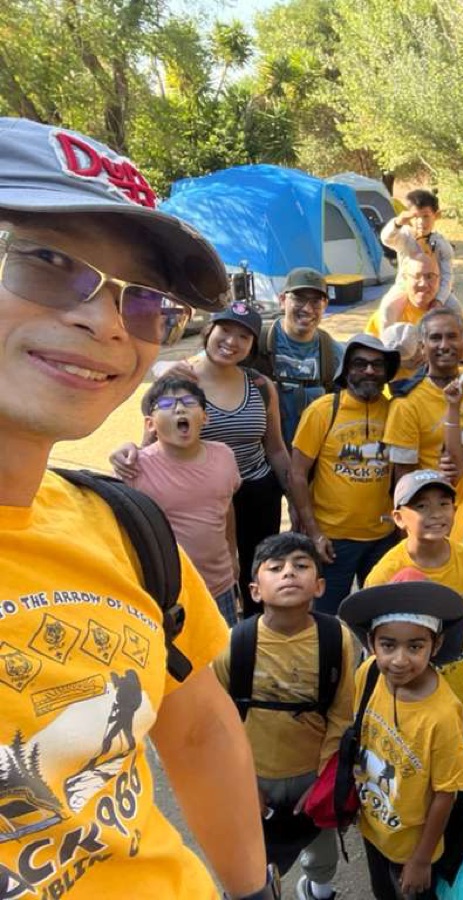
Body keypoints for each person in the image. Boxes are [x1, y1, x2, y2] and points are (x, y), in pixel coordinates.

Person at [0, 117, 267, 897]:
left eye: (144, 300)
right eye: (49, 261)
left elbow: (200, 724)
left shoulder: (123, 527)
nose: (107, 322)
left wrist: (253, 890)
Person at [111, 300, 291, 614]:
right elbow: (153, 438)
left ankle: (252, 639)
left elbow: (276, 448)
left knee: (260, 573)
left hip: (257, 492)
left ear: (252, 346)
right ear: (209, 331)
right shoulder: (179, 381)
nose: (232, 342)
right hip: (201, 492)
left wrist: (300, 505)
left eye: (244, 336)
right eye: (225, 331)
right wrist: (131, 454)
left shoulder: (261, 385)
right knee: (200, 573)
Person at [212, 533, 359, 900]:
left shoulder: (336, 637)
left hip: (313, 770)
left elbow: (342, 711)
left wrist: (325, 778)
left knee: (321, 849)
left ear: (320, 585)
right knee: (253, 856)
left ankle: (318, 890)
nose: (289, 573)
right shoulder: (234, 643)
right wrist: (243, 781)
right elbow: (217, 720)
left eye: (301, 565)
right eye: (275, 568)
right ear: (255, 590)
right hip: (253, 773)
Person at [339, 579, 463, 900]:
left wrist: (421, 859)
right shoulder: (369, 673)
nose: (400, 660)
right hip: (373, 826)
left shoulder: (442, 714)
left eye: (415, 647)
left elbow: (446, 794)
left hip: (411, 845)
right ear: (372, 643)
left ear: (436, 645)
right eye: (388, 645)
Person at [290, 334, 399, 613]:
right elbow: (297, 474)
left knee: (380, 615)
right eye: (360, 364)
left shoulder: (396, 412)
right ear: (346, 369)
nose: (370, 371)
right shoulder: (323, 410)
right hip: (332, 540)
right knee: (325, 618)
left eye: (377, 365)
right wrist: (314, 533)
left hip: (382, 537)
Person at [364, 470, 463, 712]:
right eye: (421, 506)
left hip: (458, 693)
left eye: (444, 504)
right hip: (408, 699)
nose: (436, 514)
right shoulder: (385, 573)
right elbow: (375, 650)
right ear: (399, 518)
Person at [126, 376, 241, 625]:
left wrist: (232, 555)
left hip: (219, 585)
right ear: (150, 424)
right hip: (164, 594)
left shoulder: (225, 457)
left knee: (222, 659)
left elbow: (225, 507)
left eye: (189, 402)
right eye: (166, 404)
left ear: (205, 417)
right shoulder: (133, 469)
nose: (179, 408)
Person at [384, 307, 463, 474]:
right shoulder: (405, 404)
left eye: (452, 336)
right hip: (440, 497)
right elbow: (403, 477)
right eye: (435, 338)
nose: (444, 345)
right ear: (422, 346)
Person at [251, 266, 344, 447]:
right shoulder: (256, 341)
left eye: (316, 301)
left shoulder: (333, 352)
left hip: (314, 457)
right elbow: (212, 364)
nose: (307, 309)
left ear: (325, 305)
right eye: (299, 298)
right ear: (282, 300)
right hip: (264, 458)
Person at [367, 254, 463, 378]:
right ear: (405, 279)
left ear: (439, 280)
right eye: (416, 277)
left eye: (430, 277)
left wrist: (434, 351)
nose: (424, 284)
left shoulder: (449, 314)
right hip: (402, 393)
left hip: (443, 393)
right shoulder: (388, 315)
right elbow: (366, 357)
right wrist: (399, 357)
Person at [382, 189, 457, 307]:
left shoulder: (441, 244)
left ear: (436, 216)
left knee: (455, 310)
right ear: (408, 216)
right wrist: (397, 223)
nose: (421, 222)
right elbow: (386, 239)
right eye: (416, 217)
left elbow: (447, 275)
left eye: (426, 216)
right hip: (405, 289)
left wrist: (439, 299)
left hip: (433, 290)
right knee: (388, 306)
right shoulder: (405, 236)